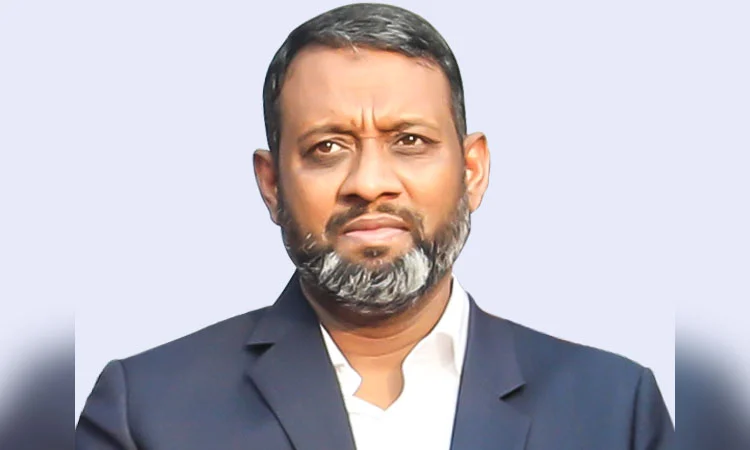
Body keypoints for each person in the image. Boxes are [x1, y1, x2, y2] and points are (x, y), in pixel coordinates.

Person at [76, 3, 674, 449]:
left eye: (409, 141)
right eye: (327, 147)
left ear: (471, 171)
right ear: (272, 184)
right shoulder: (147, 411)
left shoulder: (615, 409)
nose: (369, 182)